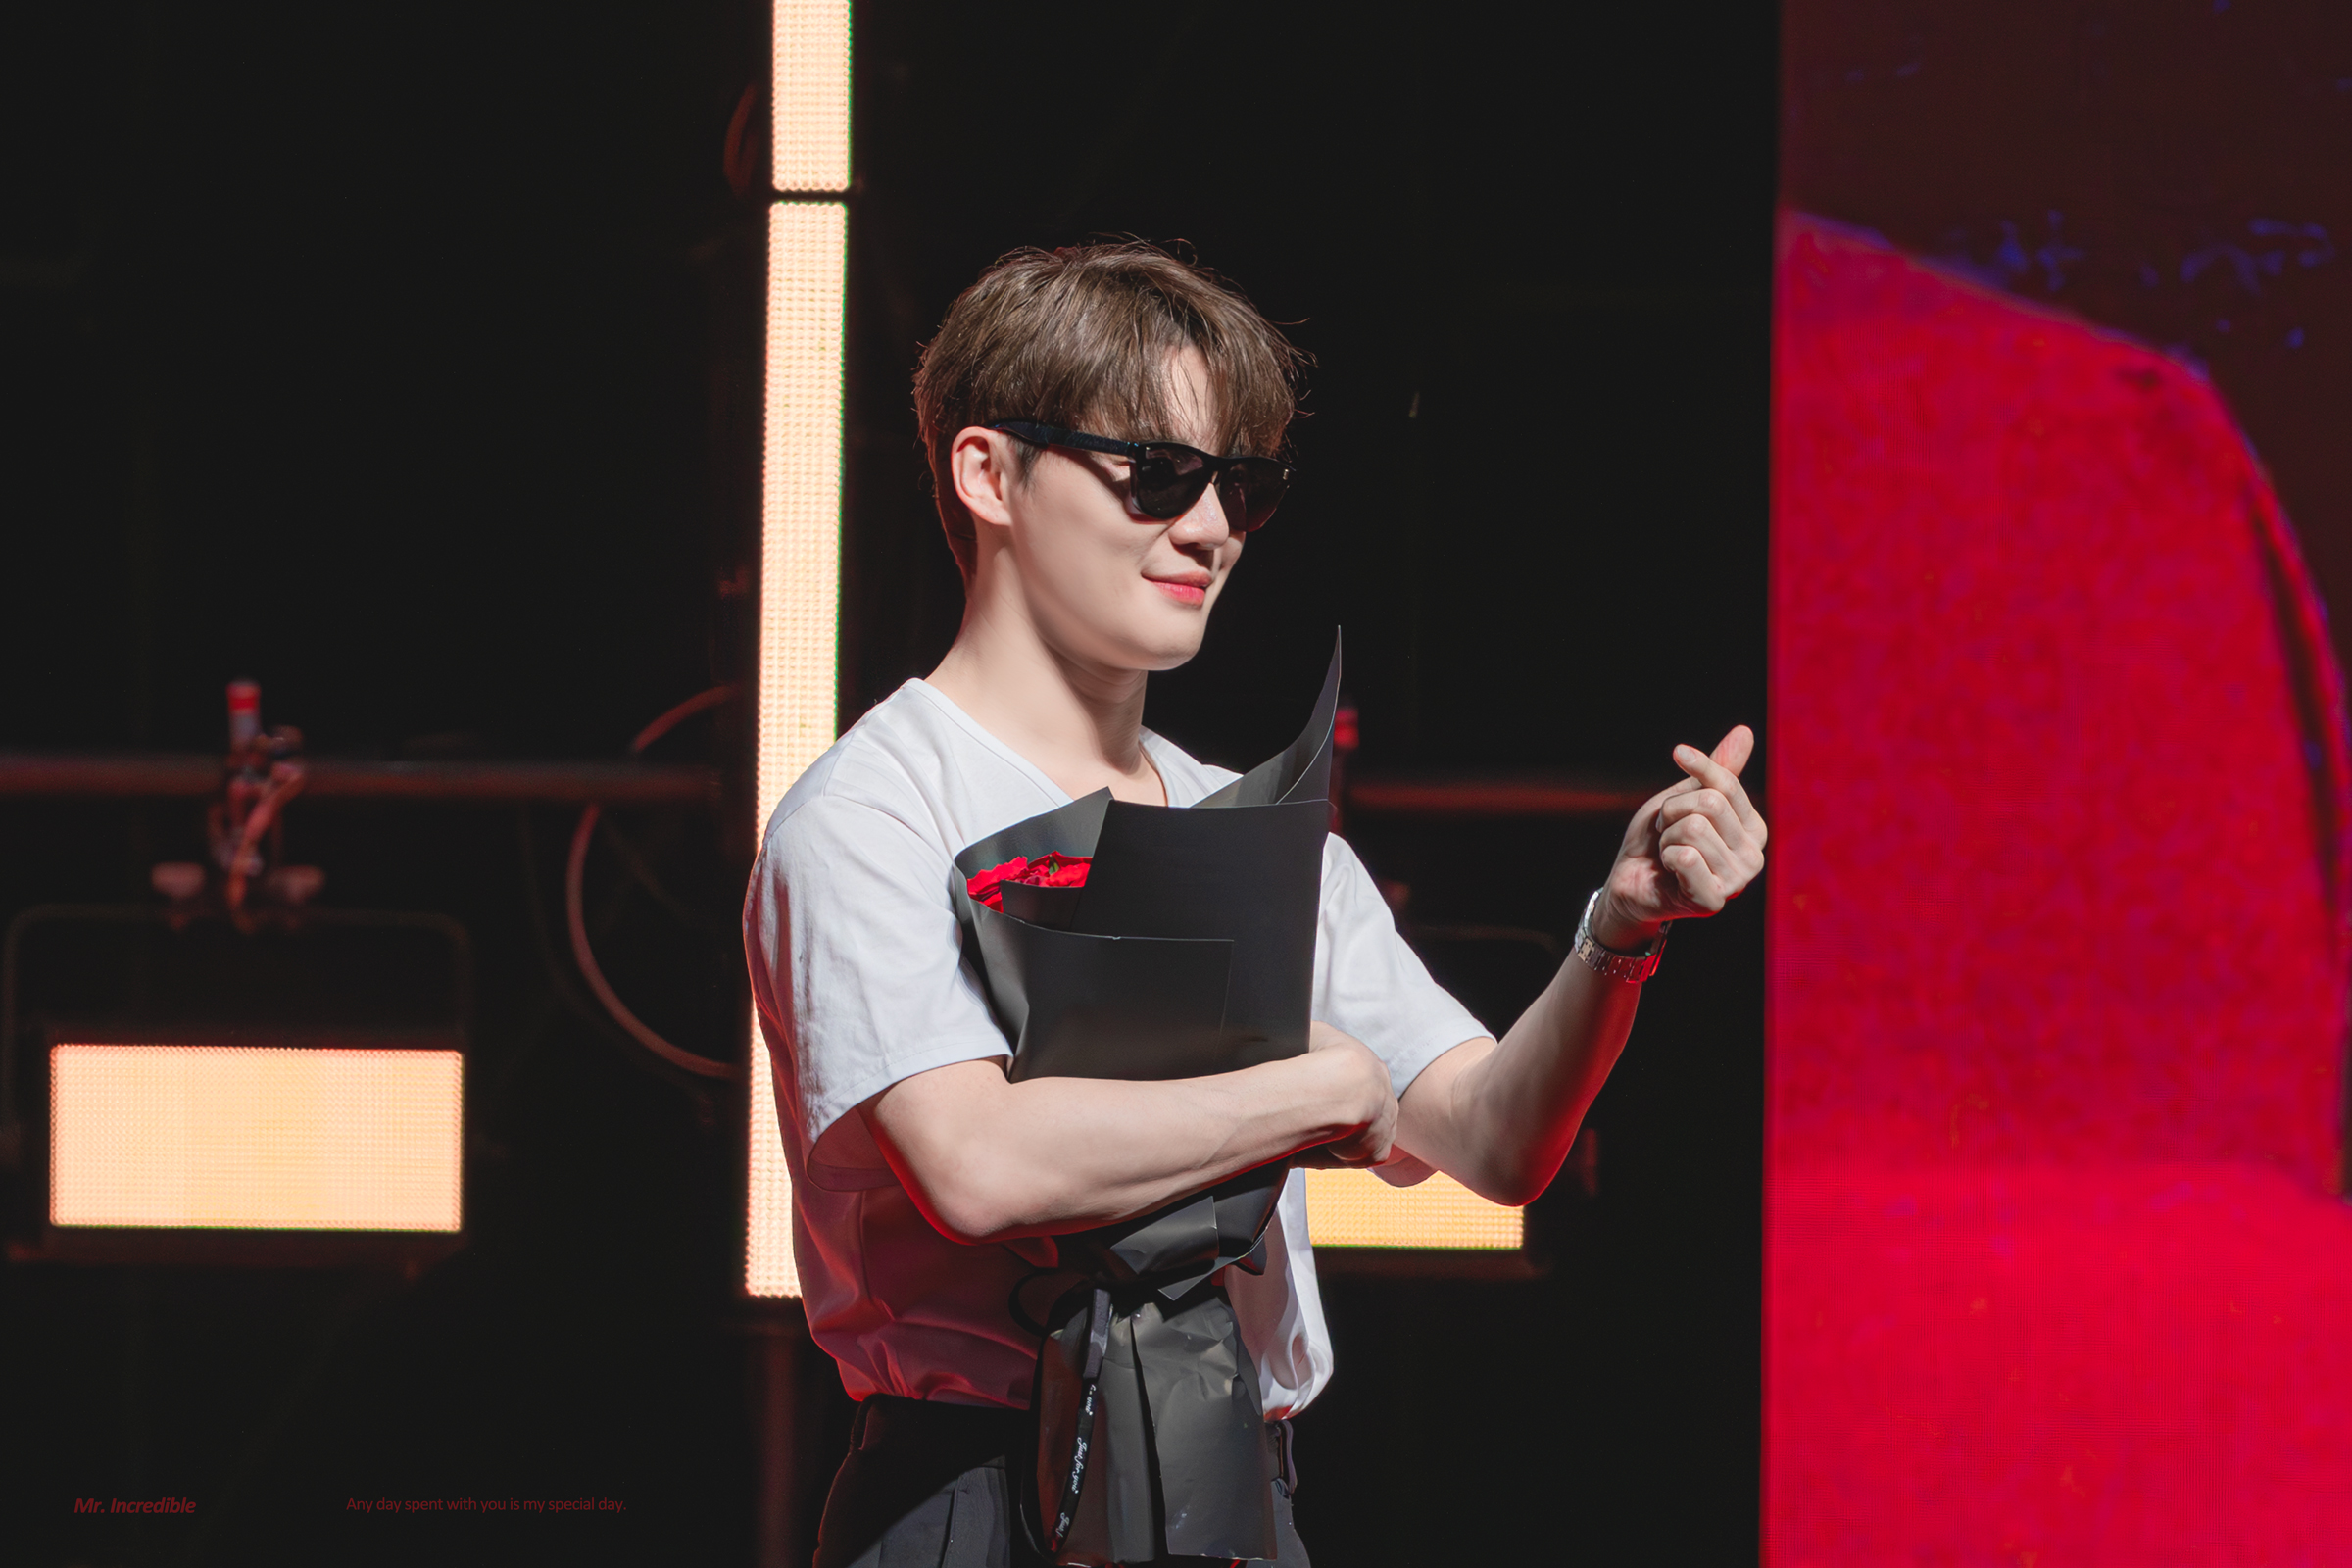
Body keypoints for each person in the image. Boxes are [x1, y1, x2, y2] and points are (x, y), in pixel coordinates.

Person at [742, 242, 1768, 1567]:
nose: (1212, 529)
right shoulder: (876, 810)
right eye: (1157, 474)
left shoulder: (1255, 830)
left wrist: (1618, 931)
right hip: (978, 1497)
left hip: (1233, 1493)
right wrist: (1314, 1089)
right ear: (988, 474)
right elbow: (976, 1169)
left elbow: (1497, 1138)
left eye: (1243, 484)